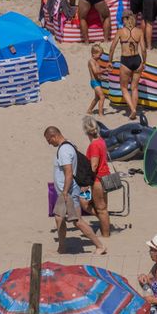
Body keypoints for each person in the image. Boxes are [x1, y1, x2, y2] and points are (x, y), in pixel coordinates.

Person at [43, 126, 107, 255]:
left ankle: (100, 246)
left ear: (54, 136)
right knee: (58, 218)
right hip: (64, 192)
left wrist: (65, 192)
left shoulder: (64, 151)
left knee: (77, 221)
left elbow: (68, 173)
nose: (49, 144)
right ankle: (61, 248)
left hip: (68, 192)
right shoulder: (69, 144)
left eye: (49, 140)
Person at [109, 10, 146, 119]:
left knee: (124, 88)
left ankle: (133, 109)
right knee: (134, 88)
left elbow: (112, 48)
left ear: (125, 19)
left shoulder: (120, 32)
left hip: (126, 61)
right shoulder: (139, 31)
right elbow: (143, 49)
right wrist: (144, 62)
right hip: (137, 59)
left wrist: (110, 61)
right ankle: (133, 112)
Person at [79, 116, 111, 239]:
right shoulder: (101, 140)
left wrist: (86, 181)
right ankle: (105, 224)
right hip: (105, 177)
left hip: (98, 179)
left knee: (100, 208)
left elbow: (94, 165)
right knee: (94, 205)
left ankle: (106, 235)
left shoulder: (94, 145)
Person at [86, 44, 107, 116]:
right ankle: (100, 114)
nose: (100, 57)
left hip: (98, 81)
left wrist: (104, 79)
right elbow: (95, 72)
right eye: (99, 55)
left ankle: (89, 110)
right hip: (94, 82)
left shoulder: (96, 62)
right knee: (102, 97)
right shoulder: (91, 61)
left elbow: (98, 75)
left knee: (97, 98)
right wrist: (105, 70)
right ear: (93, 54)